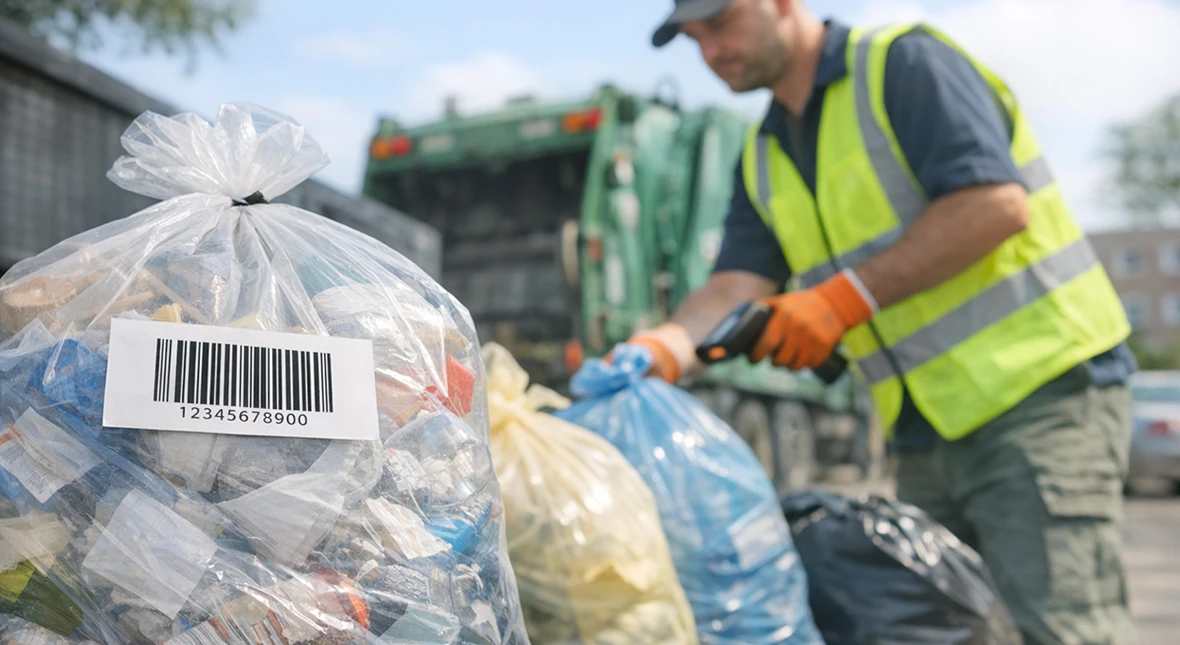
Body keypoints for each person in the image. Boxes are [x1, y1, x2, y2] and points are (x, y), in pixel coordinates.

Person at [628, 1, 1139, 643]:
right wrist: (660, 348)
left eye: (721, 24)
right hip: (929, 430)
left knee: (1061, 629)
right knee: (947, 629)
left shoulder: (901, 65)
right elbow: (734, 285)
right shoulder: (763, 154)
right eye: (694, 39)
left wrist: (838, 302)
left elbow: (994, 204)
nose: (710, 53)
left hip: (1038, 399)